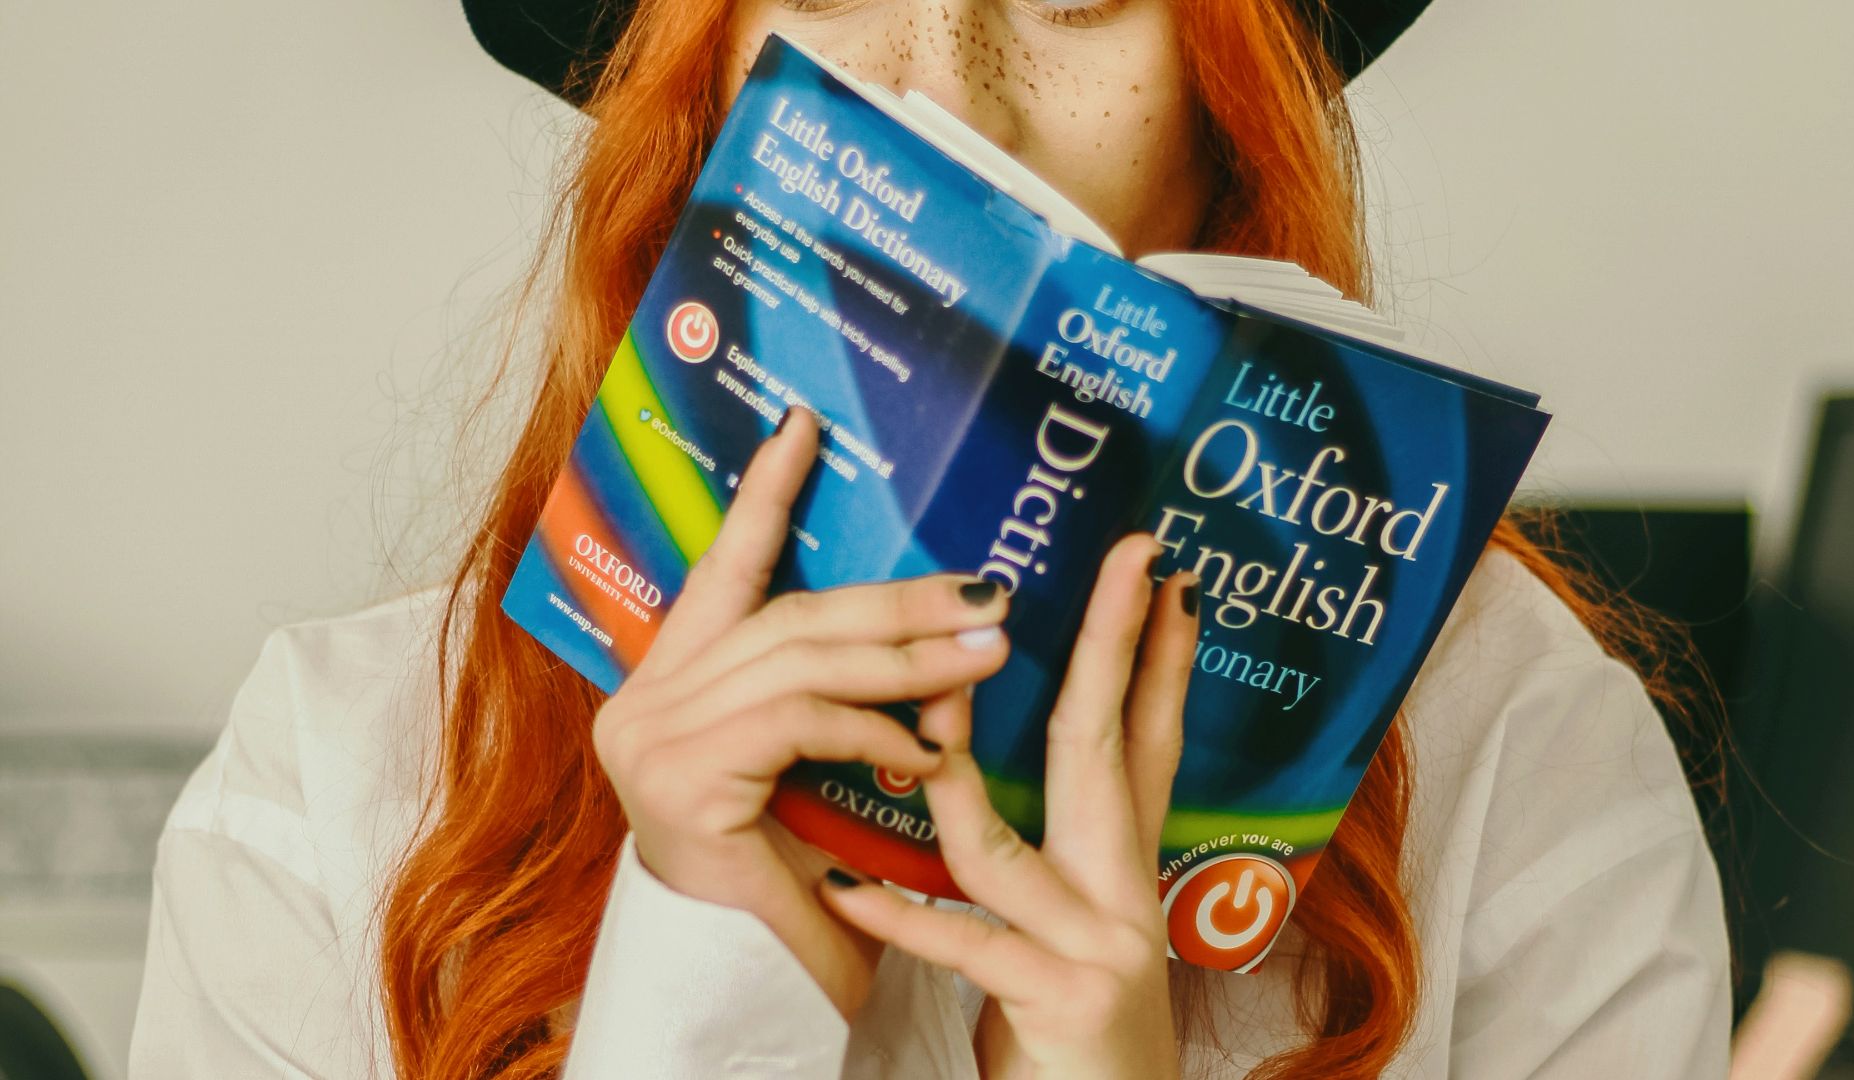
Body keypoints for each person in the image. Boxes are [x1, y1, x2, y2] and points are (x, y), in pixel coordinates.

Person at [128, 0, 1733, 1075]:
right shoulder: (338, 786)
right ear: (693, 81)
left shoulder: (1519, 746)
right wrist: (700, 982)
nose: (947, 101)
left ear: (1226, 86)